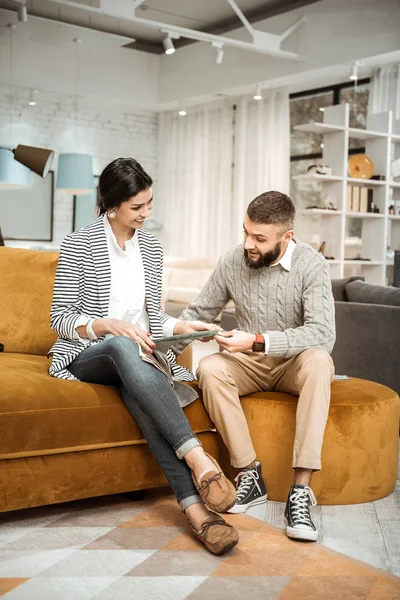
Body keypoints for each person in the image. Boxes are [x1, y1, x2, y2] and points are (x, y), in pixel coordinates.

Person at [48, 157, 238, 556]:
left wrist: (181, 328)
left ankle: (196, 512)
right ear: (111, 205)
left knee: (138, 383)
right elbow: (60, 319)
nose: (146, 214)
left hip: (140, 355)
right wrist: (107, 325)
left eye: (149, 204)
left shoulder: (150, 247)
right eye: (137, 207)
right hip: (91, 353)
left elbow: (153, 317)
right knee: (122, 345)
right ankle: (198, 459)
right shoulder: (78, 244)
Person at [174, 190, 336, 542]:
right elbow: (195, 314)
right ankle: (249, 475)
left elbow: (323, 334)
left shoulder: (312, 264)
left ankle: (300, 491)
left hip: (294, 363)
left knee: (321, 362)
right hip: (249, 364)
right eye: (245, 232)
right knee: (212, 368)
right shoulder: (233, 261)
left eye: (259, 238)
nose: (248, 243)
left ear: (286, 237)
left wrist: (258, 340)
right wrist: (191, 330)